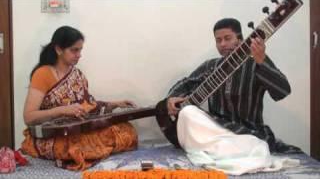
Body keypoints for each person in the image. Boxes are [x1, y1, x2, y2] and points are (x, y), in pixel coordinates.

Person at [163, 18, 301, 174]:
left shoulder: (256, 64)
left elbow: (283, 91)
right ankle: (229, 151)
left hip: (247, 134)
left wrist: (263, 62)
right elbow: (186, 83)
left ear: (241, 40)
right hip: (217, 132)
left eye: (227, 38)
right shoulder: (211, 66)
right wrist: (171, 98)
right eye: (218, 40)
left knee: (257, 145)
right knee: (188, 112)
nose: (222, 44)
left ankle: (224, 151)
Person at [21, 26, 138, 171]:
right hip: (54, 135)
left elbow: (88, 107)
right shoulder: (43, 74)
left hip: (77, 129)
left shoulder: (77, 75)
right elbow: (29, 117)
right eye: (74, 50)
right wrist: (61, 111)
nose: (79, 55)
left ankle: (87, 151)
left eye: (80, 50)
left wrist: (113, 104)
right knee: (75, 146)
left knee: (126, 130)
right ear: (58, 49)